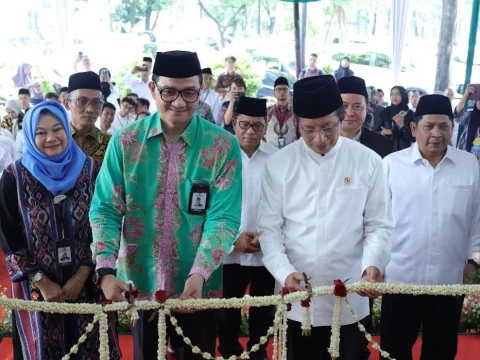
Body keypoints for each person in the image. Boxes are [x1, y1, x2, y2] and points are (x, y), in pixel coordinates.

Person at [90, 50, 242, 360]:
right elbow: (105, 208)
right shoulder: (125, 142)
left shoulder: (223, 146)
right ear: (152, 89)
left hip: (198, 286)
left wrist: (198, 274)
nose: (179, 102)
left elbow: (223, 218)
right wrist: (105, 271)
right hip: (139, 282)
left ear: (202, 92)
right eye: (169, 91)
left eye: (189, 92)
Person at [257, 75, 393, 360]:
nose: (320, 139)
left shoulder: (368, 162)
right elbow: (269, 230)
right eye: (309, 130)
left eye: (329, 128)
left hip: (351, 295)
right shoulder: (279, 165)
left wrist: (373, 264)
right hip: (297, 298)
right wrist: (284, 273)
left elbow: (378, 224)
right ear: (297, 125)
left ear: (341, 117)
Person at [0, 101, 121, 360]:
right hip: (38, 291)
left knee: (92, 348)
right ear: (30, 137)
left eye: (57, 129)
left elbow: (106, 223)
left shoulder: (93, 171)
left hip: (88, 284)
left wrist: (81, 275)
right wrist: (41, 281)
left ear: (67, 129)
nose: (50, 138)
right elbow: (8, 235)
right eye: (40, 133)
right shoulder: (13, 177)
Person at [381, 94, 480, 360]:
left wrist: (473, 259)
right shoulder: (392, 165)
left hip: (448, 280)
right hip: (401, 279)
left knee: (441, 350)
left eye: (444, 126)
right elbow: (378, 222)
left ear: (452, 128)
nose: (437, 133)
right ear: (414, 129)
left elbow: (477, 216)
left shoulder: (469, 165)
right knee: (394, 350)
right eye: (429, 126)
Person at [218, 96, 277, 360]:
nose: (250, 131)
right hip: (230, 250)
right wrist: (233, 240)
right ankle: (229, 352)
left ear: (266, 127)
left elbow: (284, 205)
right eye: (244, 124)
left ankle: (258, 351)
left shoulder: (277, 159)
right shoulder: (220, 156)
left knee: (262, 309)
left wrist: (268, 238)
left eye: (257, 126)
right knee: (227, 309)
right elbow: (211, 205)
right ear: (234, 124)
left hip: (266, 250)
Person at [338, 76, 396, 158]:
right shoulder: (320, 142)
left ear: (367, 108)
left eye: (357, 106)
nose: (350, 113)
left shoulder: (386, 147)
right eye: (344, 106)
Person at [64, 71, 111, 161]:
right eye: (81, 101)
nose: (90, 109)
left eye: (96, 102)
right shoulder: (55, 140)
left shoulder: (110, 143)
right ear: (67, 103)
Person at [265, 77, 297, 148]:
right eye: (278, 89)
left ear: (289, 92)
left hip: (291, 152)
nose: (282, 92)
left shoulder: (296, 112)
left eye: (285, 89)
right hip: (271, 153)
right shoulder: (268, 112)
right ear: (274, 93)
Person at [454, 84, 480, 162]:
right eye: (478, 99)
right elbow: (457, 116)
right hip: (464, 158)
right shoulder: (469, 115)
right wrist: (465, 95)